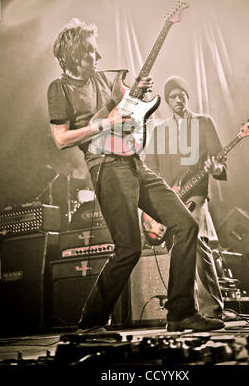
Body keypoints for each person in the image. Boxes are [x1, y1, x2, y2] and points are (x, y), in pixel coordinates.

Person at [47, 18, 224, 333]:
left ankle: (180, 312)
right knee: (128, 248)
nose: (98, 57)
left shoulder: (104, 79)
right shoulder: (60, 89)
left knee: (185, 225)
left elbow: (128, 113)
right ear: (74, 54)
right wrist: (102, 122)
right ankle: (90, 323)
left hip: (134, 161)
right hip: (105, 166)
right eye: (90, 52)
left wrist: (139, 98)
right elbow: (62, 139)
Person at [144, 76, 227, 318]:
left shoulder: (204, 122)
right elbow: (149, 167)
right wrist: (152, 201)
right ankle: (188, 310)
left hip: (197, 194)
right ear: (168, 101)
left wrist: (216, 169)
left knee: (199, 243)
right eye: (172, 97)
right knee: (177, 250)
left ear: (188, 96)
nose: (178, 100)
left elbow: (220, 160)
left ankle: (212, 309)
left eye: (182, 95)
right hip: (170, 198)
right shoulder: (160, 130)